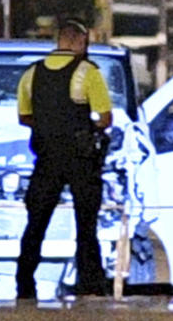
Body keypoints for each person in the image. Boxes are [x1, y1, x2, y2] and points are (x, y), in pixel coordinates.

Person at [15, 18, 112, 299]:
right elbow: (105, 118)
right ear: (80, 42)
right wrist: (85, 128)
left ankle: (24, 281)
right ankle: (90, 282)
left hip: (46, 158)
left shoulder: (32, 73)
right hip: (81, 159)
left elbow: (24, 117)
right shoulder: (88, 72)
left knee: (36, 223)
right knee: (86, 224)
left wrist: (49, 126)